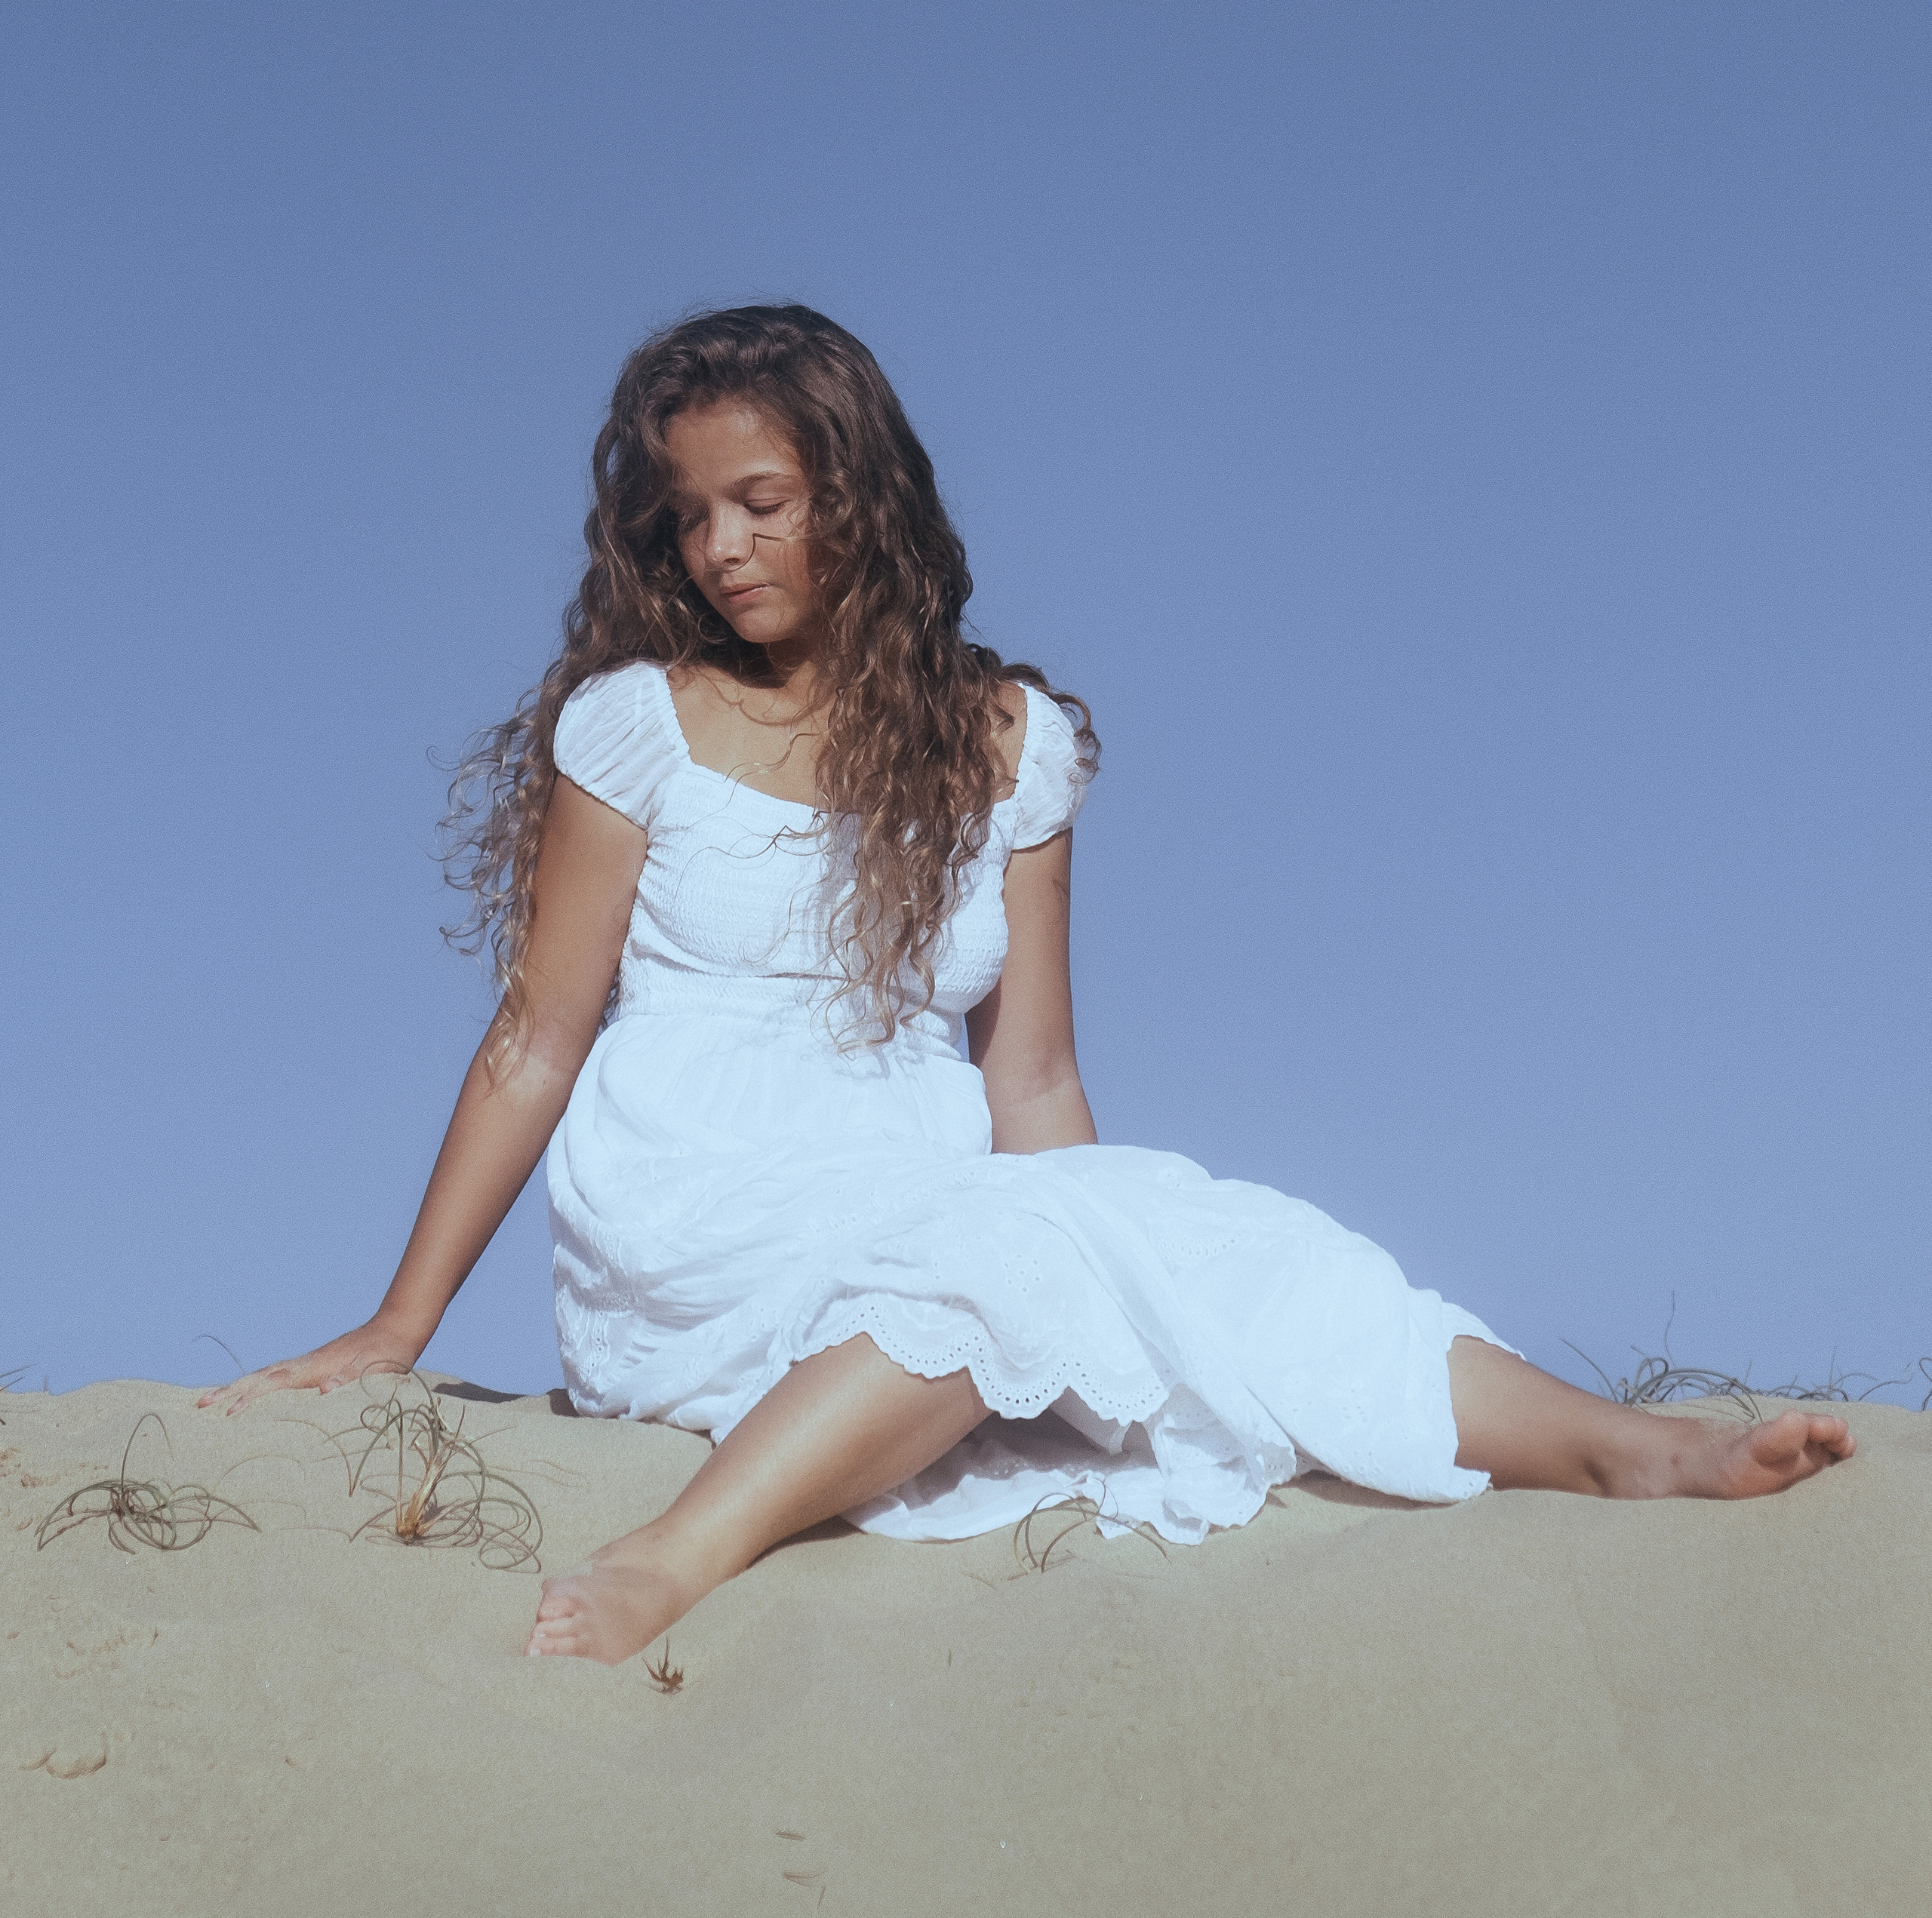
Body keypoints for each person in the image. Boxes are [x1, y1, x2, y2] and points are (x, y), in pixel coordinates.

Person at [204, 304, 1854, 1663]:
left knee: (1216, 1243)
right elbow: (532, 1040)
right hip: (698, 1205)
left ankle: (1622, 1451)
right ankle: (675, 1556)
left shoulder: (1009, 749)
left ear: (860, 493)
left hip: (931, 1193)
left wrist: (1107, 1269)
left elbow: (1038, 1085)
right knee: (1010, 1264)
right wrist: (401, 1323)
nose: (720, 547)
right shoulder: (638, 724)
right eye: (688, 515)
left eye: (761, 500)